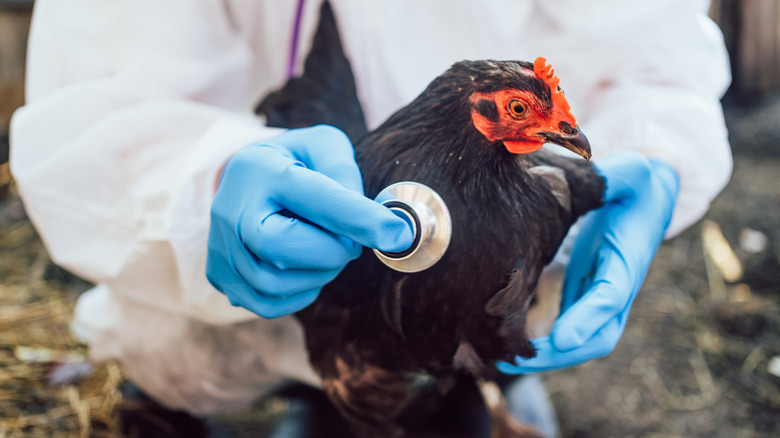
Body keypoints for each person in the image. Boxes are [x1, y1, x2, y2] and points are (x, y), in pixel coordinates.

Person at [10, 0, 732, 436]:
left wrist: (655, 152)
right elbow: (98, 90)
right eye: (517, 112)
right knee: (183, 321)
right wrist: (207, 179)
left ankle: (478, 383)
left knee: (512, 285)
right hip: (265, 162)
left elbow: (646, 41)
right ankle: (194, 394)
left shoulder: (532, 164)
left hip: (489, 254)